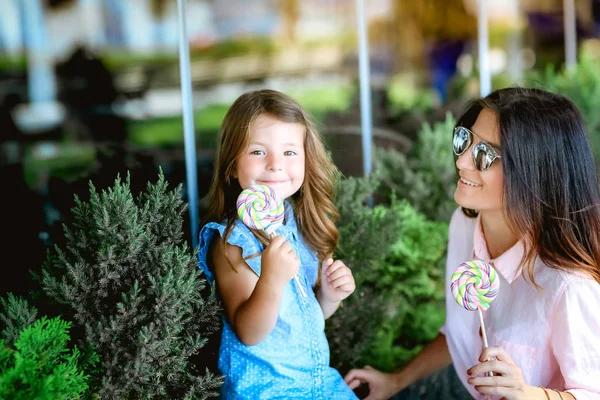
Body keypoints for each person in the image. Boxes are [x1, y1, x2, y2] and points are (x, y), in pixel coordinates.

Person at [344, 87, 600, 400]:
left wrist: (526, 393)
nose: (463, 161)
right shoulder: (464, 224)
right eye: (466, 140)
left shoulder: (568, 285)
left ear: (533, 173)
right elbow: (462, 333)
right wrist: (396, 380)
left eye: (485, 154)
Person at [197, 89, 358, 399]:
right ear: (232, 165)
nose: (275, 164)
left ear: (306, 158)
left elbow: (301, 317)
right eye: (258, 152)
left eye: (289, 152)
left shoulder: (301, 224)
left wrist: (329, 296)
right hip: (267, 391)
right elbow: (250, 332)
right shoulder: (233, 242)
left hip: (319, 384)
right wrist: (270, 278)